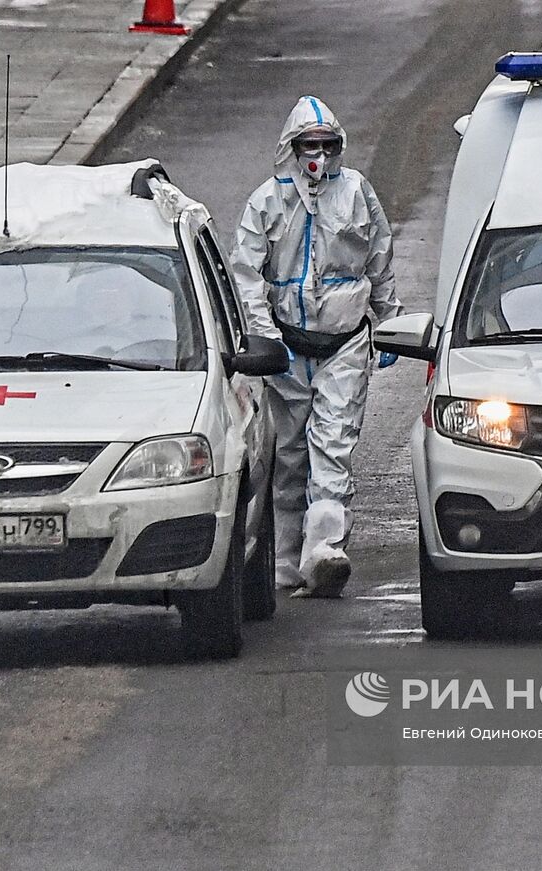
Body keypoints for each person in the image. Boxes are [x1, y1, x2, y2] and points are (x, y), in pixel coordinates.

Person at [231, 95, 403, 598]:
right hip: (286, 349)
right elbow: (246, 275)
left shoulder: (356, 194)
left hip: (344, 344)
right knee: (285, 457)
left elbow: (380, 257)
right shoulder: (266, 201)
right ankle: (284, 562)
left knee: (333, 447)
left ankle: (325, 552)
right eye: (311, 146)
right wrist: (265, 338)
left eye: (329, 146)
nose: (320, 157)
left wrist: (390, 321)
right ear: (292, 146)